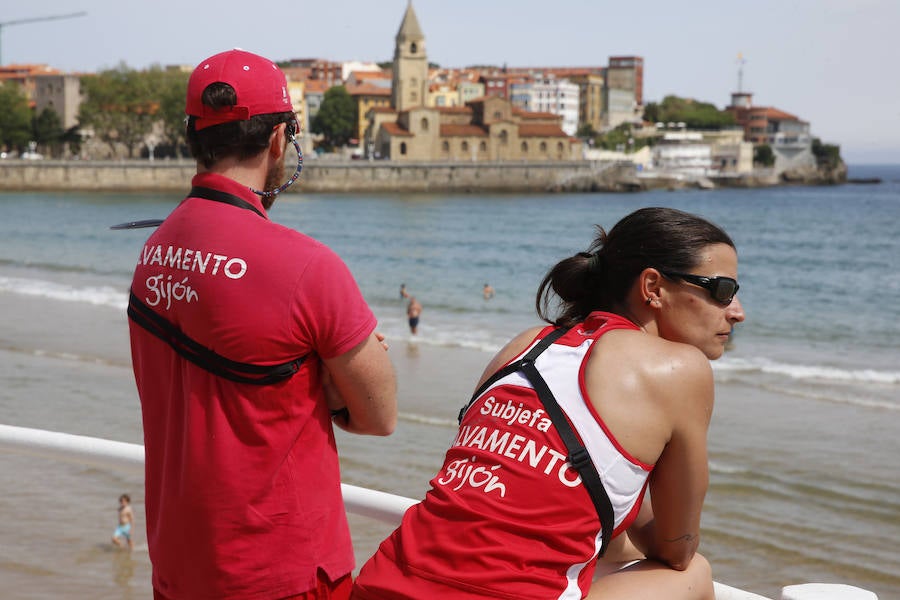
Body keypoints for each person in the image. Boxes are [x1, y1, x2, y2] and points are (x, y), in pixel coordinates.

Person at [352, 207, 745, 600]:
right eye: (723, 291)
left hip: (378, 584)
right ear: (653, 288)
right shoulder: (680, 369)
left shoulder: (526, 344)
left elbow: (524, 494)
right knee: (694, 574)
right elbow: (677, 547)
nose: (737, 312)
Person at [128, 49, 397, 600]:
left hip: (179, 565)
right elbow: (380, 415)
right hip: (280, 572)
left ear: (192, 138)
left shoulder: (153, 250)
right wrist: (327, 383)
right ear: (279, 141)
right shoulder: (306, 267)